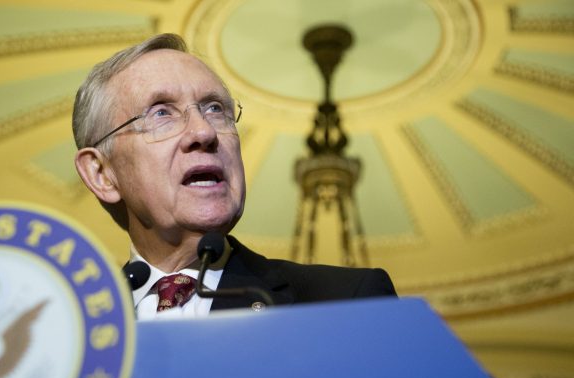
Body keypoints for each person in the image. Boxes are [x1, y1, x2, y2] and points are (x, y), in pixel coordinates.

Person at [72, 33, 396, 319]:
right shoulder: (69, 332)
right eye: (161, 113)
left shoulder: (347, 302)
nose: (204, 131)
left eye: (215, 108)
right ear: (102, 174)